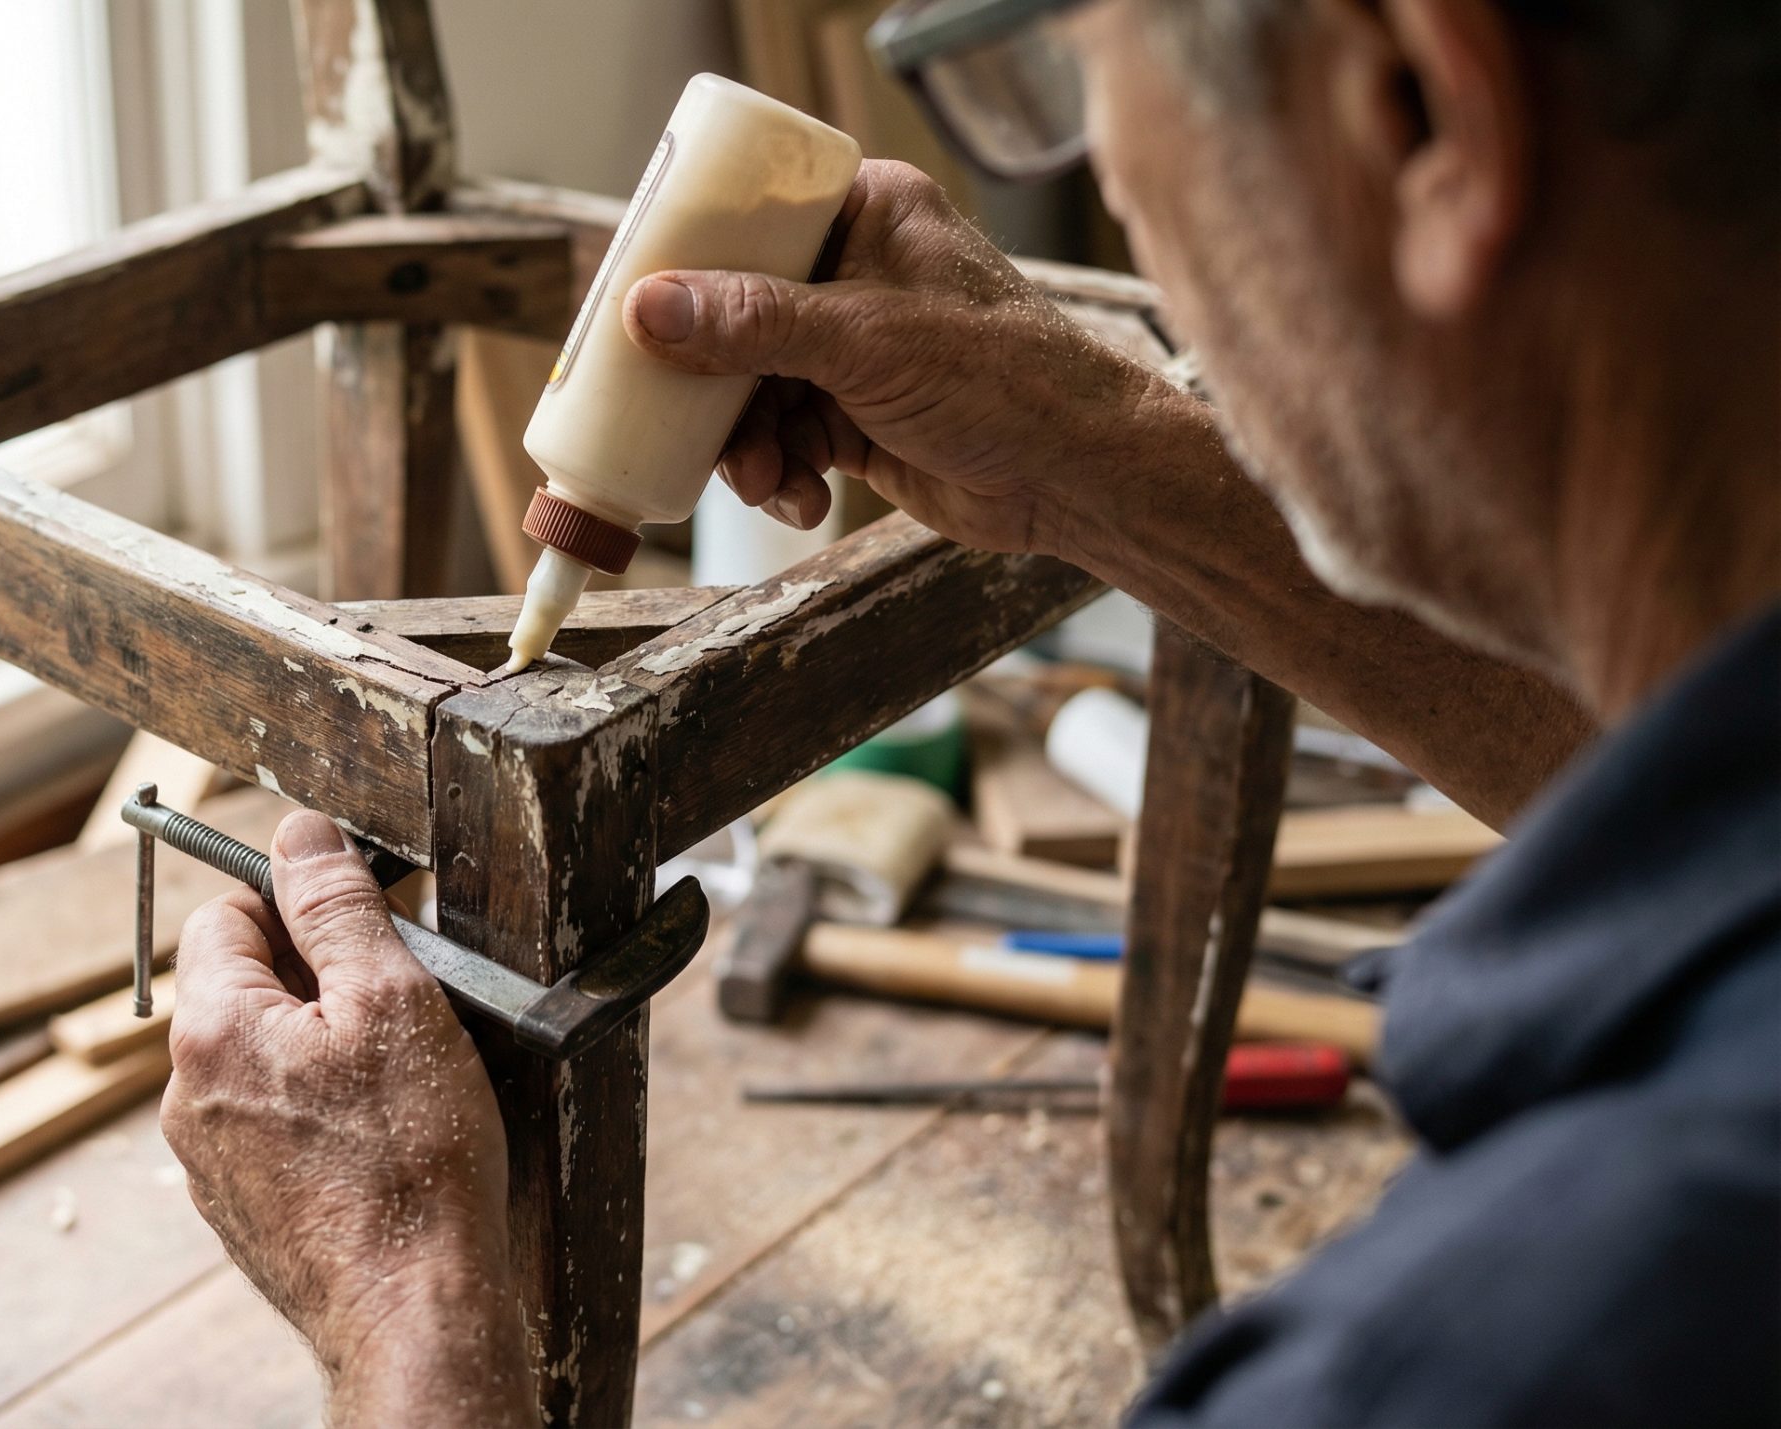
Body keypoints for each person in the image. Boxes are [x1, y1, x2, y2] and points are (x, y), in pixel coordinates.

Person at [156, 0, 1779, 1421]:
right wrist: (1099, 456)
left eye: (1074, 64)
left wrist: (411, 1307)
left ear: (1417, 103)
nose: (1114, 181)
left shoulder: (1502, 1350)